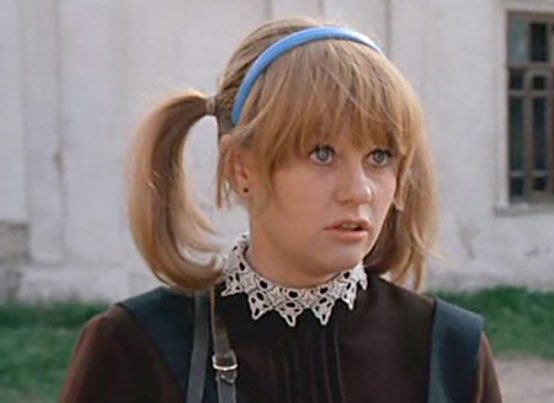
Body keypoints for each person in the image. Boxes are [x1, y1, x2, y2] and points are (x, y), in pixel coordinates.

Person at [59, 17, 502, 403]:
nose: (360, 191)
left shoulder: (447, 350)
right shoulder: (138, 348)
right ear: (242, 169)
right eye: (322, 154)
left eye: (379, 156)